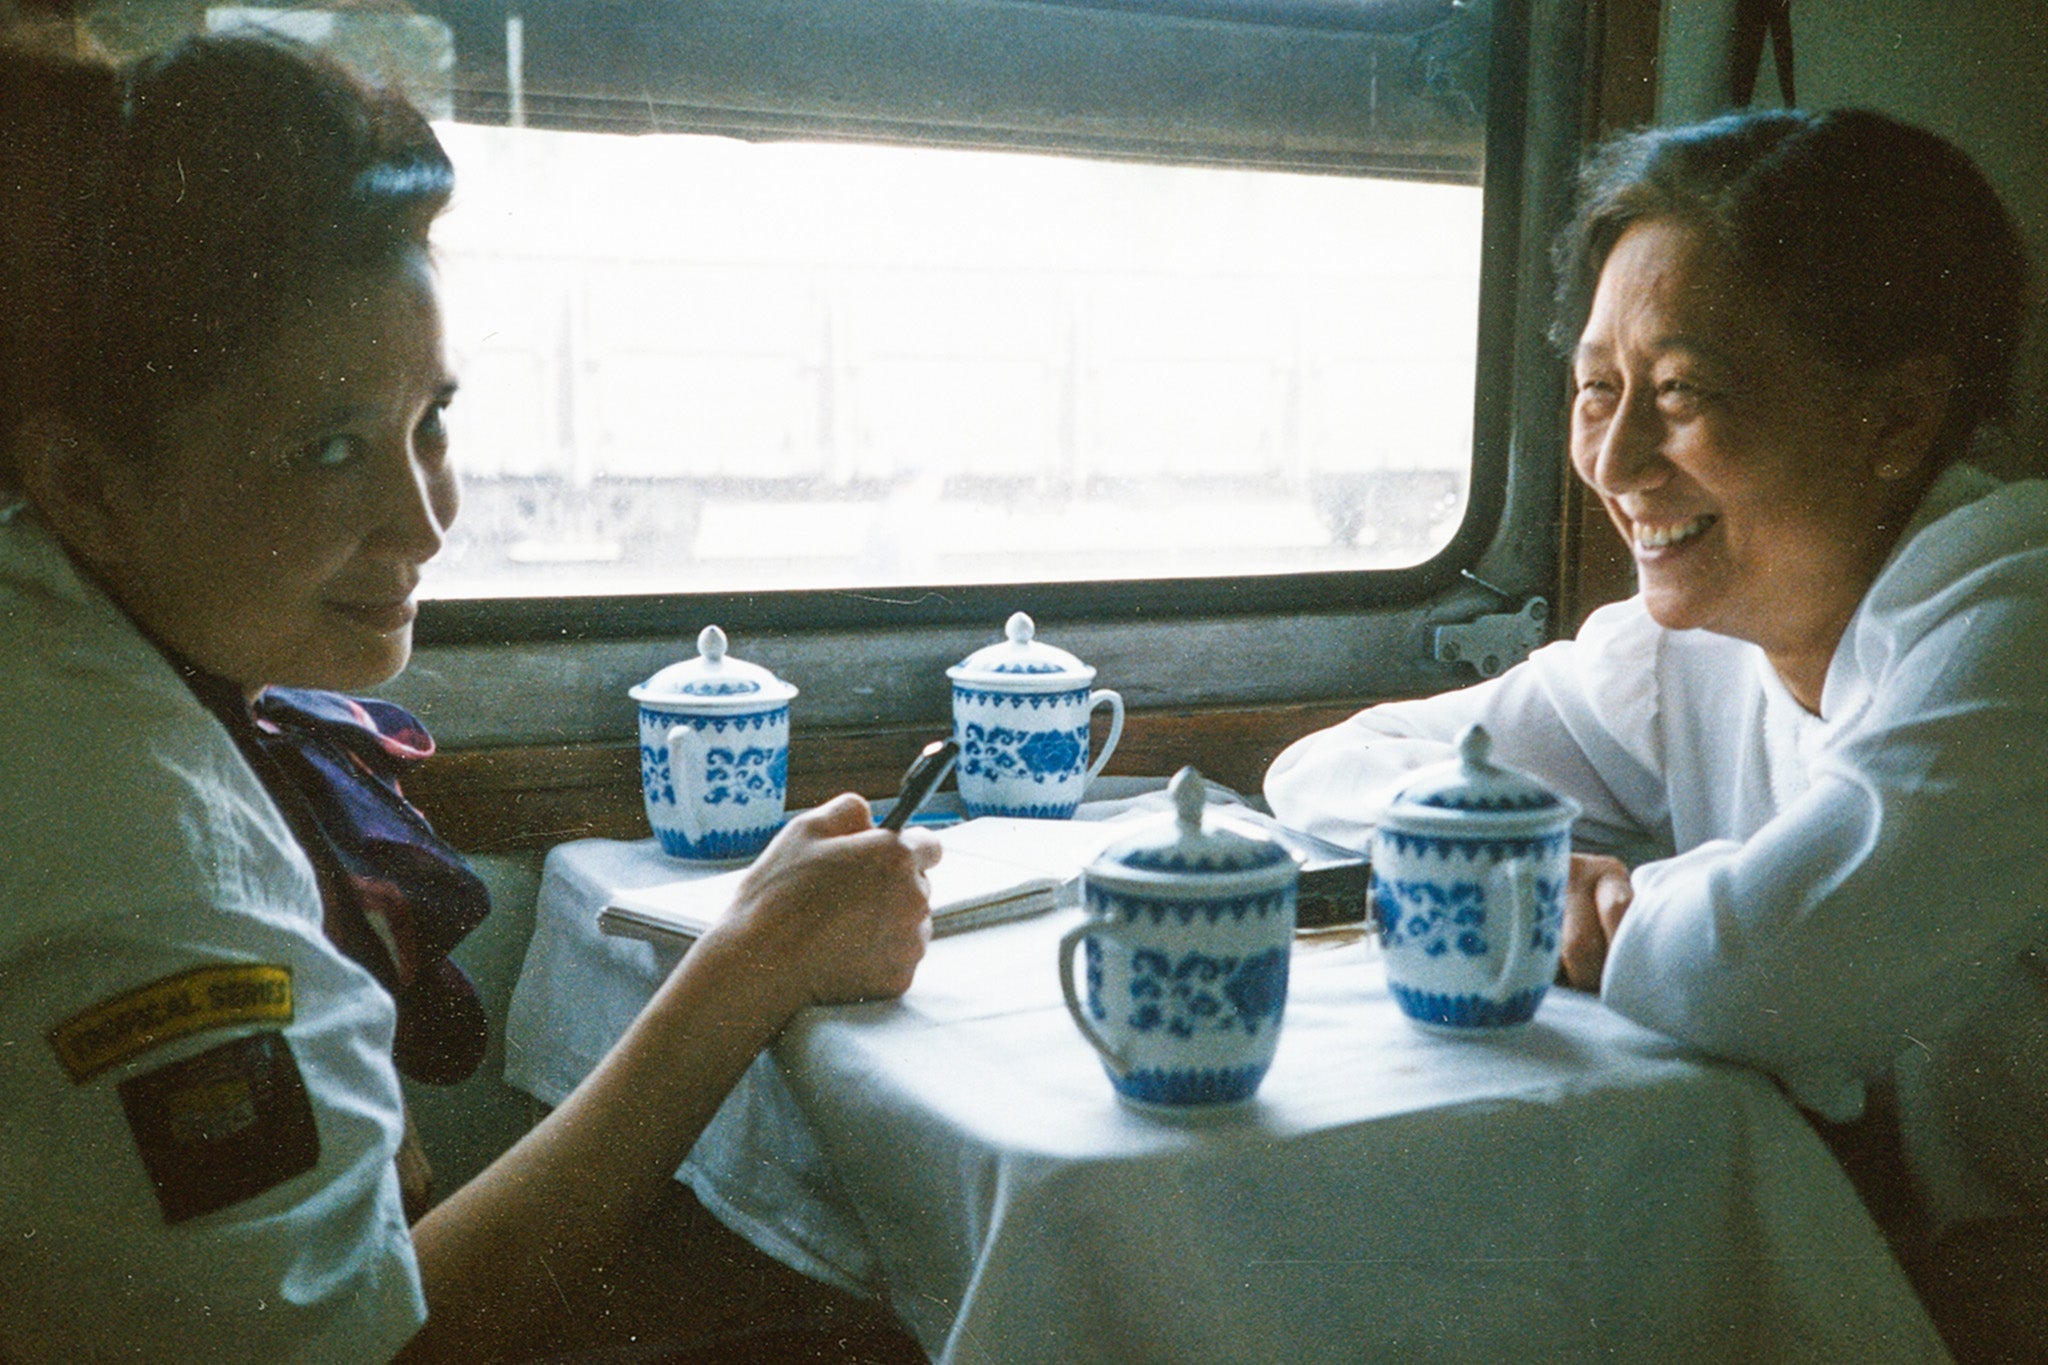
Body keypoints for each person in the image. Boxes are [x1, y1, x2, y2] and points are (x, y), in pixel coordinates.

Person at [0, 34, 939, 1364]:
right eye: (328, 450)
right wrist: (755, 963)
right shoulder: (142, 859)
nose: (426, 519)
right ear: (88, 485)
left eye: (429, 421)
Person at [1266, 106, 2044, 1359]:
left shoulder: (2015, 616)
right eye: (1595, 390)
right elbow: (1327, 771)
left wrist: (1609, 897)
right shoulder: (1690, 643)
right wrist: (1520, 864)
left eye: (1679, 394)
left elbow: (1777, 969)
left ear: (1894, 417)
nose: (1616, 457)